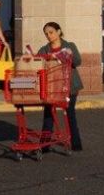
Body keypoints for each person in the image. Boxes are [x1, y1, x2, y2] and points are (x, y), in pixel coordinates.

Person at [37, 21, 83, 152]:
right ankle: (44, 146)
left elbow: (78, 61)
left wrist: (67, 55)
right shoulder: (44, 49)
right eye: (46, 34)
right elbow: (38, 64)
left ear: (58, 31)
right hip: (51, 87)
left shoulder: (69, 46)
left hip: (69, 86)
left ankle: (76, 144)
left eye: (51, 32)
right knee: (48, 115)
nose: (49, 36)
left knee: (70, 114)